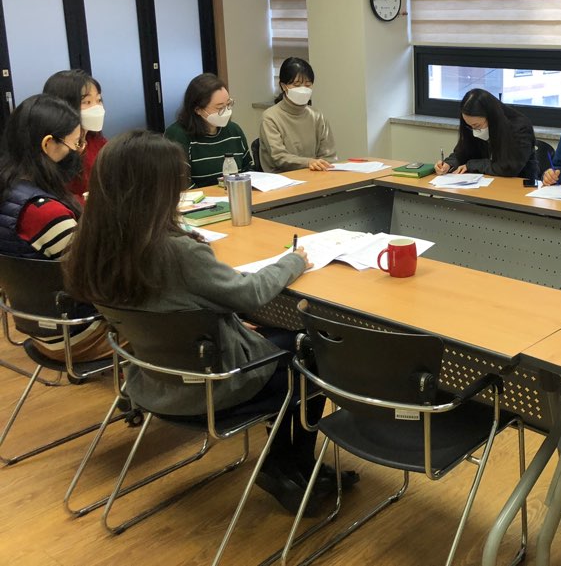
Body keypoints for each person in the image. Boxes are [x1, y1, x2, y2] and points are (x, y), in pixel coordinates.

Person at [63, 130, 356, 514]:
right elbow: (250, 293)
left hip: (153, 379)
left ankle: (293, 467)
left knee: (279, 337)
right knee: (311, 351)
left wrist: (222, 321)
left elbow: (168, 306)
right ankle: (287, 465)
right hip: (212, 387)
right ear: (157, 191)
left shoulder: (88, 244)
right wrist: (294, 261)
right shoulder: (178, 252)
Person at [0, 95, 110, 361]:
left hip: (37, 325)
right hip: (77, 333)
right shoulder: (42, 211)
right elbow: (97, 277)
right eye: (76, 143)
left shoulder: (10, 190)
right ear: (48, 144)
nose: (80, 151)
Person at [164, 73, 253, 188]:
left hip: (235, 194)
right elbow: (180, 182)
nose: (226, 111)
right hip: (199, 198)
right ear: (198, 109)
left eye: (228, 104)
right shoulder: (178, 135)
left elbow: (248, 170)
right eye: (220, 108)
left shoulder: (234, 131)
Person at [434, 88, 537, 179]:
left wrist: (471, 165)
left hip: (518, 186)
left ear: (491, 117)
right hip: (482, 183)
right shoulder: (471, 125)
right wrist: (449, 164)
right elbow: (462, 152)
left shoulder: (520, 127)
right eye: (470, 126)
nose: (474, 131)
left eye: (477, 126)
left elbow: (509, 167)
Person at [259, 57, 337, 173]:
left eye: (308, 85)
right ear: (283, 86)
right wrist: (309, 162)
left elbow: (329, 155)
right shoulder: (270, 117)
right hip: (282, 179)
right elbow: (279, 157)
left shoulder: (317, 116)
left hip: (316, 176)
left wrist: (321, 165)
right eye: (297, 85)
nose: (303, 89)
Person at [42, 69, 108, 199]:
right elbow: (56, 195)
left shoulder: (96, 140)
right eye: (87, 102)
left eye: (99, 100)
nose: (97, 108)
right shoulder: (56, 147)